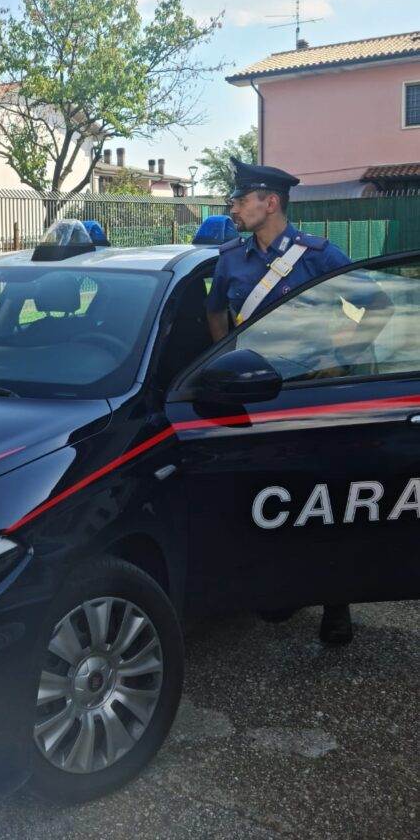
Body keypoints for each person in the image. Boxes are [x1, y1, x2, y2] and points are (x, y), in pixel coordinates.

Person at [206, 158, 355, 646]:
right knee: (267, 497)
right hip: (255, 395)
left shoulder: (318, 256)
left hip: (309, 395)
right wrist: (227, 359)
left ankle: (337, 601)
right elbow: (216, 314)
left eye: (241, 198)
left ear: (270, 203)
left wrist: (342, 349)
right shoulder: (231, 258)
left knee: (322, 502)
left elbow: (376, 304)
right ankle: (281, 586)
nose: (233, 206)